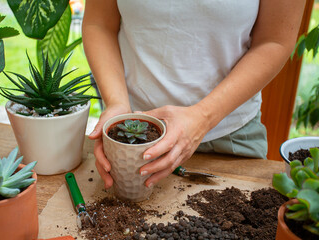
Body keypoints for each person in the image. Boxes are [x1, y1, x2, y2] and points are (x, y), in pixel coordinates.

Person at [82, 0, 306, 189]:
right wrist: (116, 104)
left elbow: (274, 40)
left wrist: (202, 117)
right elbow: (99, 24)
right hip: (133, 132)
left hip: (230, 138)